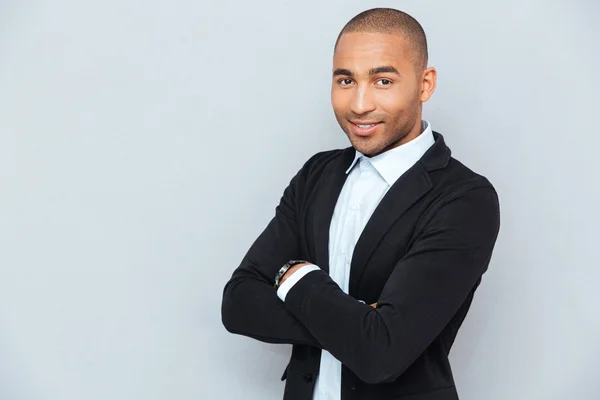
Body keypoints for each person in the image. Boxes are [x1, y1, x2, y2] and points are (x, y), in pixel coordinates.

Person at [221, 7, 500, 400]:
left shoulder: (464, 198)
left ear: (425, 84)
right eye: (346, 80)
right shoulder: (316, 175)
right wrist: (358, 322)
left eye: (383, 80)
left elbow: (381, 353)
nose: (359, 104)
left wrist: (296, 278)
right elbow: (237, 303)